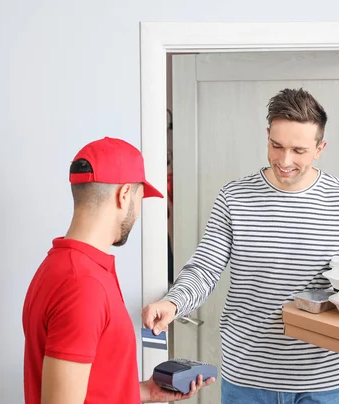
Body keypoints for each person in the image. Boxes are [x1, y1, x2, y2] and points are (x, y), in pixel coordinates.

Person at [142, 89, 339, 403]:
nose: (284, 161)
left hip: (321, 386)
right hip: (246, 381)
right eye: (276, 146)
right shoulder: (234, 198)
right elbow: (204, 270)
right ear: (267, 135)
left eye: (299, 150)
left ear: (319, 148)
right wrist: (174, 303)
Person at [22, 137, 215, 404]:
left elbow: (89, 386)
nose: (137, 212)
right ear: (124, 195)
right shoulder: (83, 285)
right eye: (139, 197)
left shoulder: (61, 266)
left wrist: (146, 391)